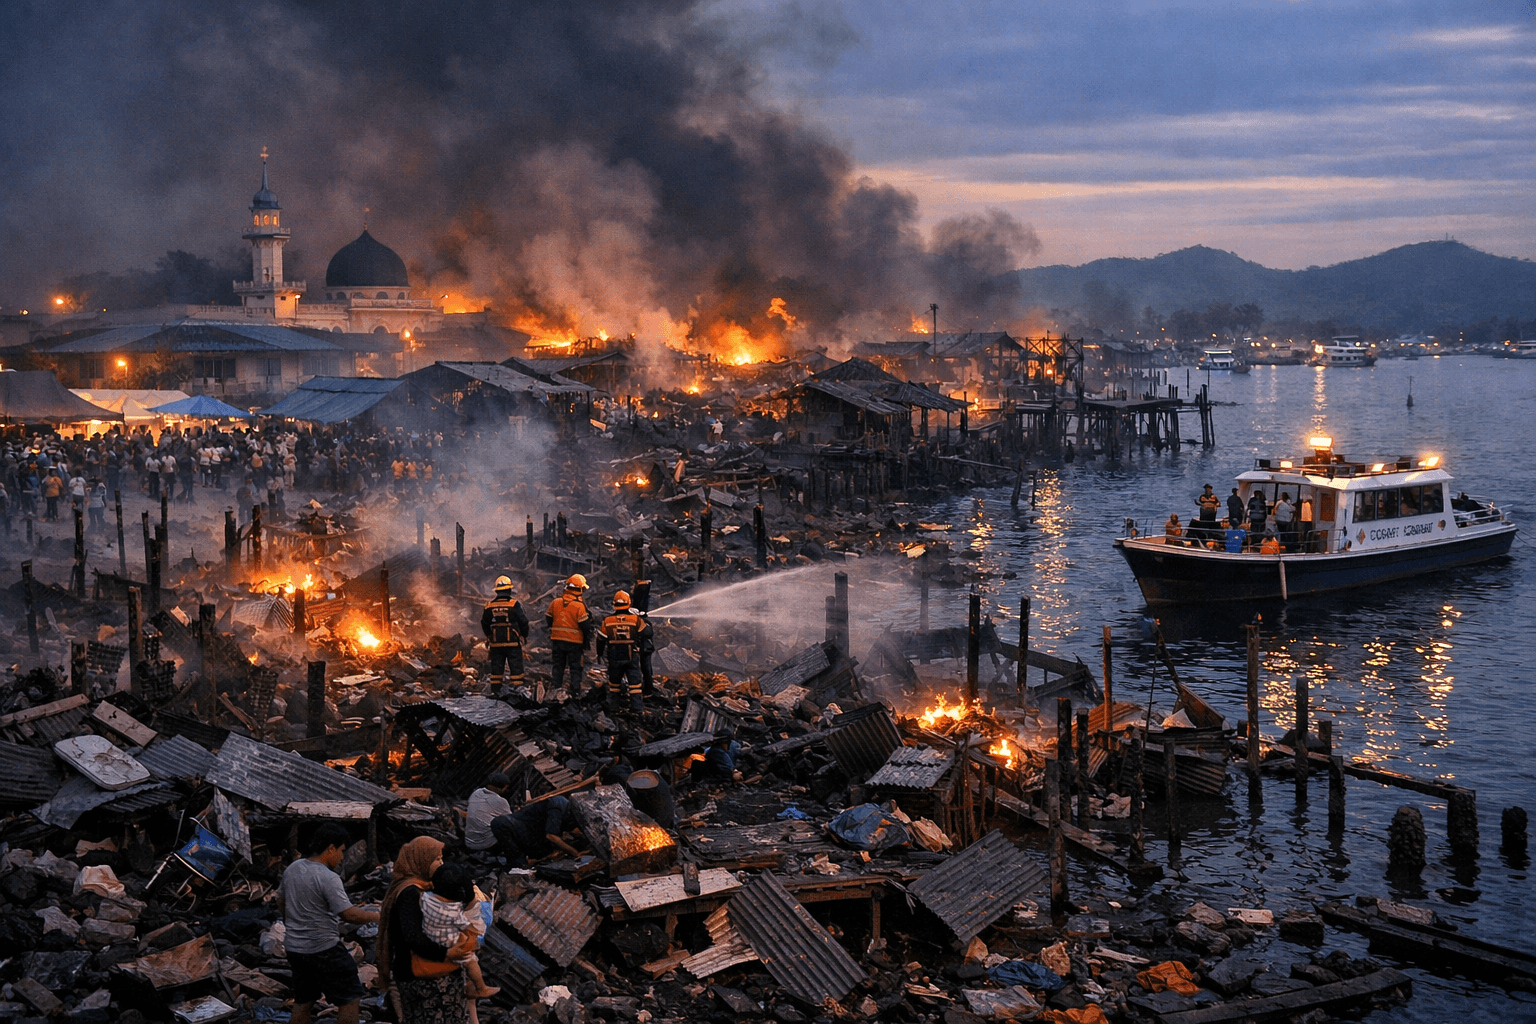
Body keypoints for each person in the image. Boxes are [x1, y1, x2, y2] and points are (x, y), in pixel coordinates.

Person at [278, 822, 379, 1024]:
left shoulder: (293, 868)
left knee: (303, 1000)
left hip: (295, 949)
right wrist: (379, 916)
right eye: (341, 851)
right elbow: (349, 915)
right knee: (350, 997)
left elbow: (281, 901)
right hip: (323, 949)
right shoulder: (328, 877)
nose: (342, 857)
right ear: (331, 848)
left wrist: (295, 924)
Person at [377, 837, 477, 1024]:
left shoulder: (414, 888)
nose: (441, 864)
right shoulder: (411, 894)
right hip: (427, 978)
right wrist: (446, 953)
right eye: (437, 859)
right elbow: (413, 937)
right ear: (421, 859)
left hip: (417, 974)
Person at [419, 863, 498, 1004]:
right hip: (460, 948)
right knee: (470, 963)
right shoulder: (476, 906)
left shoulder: (431, 902)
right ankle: (481, 988)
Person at [596, 589, 651, 713]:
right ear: (629, 603)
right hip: (631, 655)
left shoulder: (608, 621)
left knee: (614, 684)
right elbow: (647, 633)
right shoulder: (635, 620)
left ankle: (614, 707)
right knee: (635, 684)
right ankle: (636, 708)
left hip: (614, 656)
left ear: (614, 604)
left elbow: (600, 639)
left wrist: (599, 654)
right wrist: (643, 620)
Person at [489, 795, 581, 868]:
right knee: (518, 860)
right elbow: (551, 836)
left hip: (530, 833)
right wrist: (575, 853)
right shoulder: (559, 806)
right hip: (517, 828)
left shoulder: (567, 810)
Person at [545, 575, 592, 696]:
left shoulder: (555, 603)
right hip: (575, 643)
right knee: (575, 668)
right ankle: (575, 692)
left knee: (558, 666)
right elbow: (585, 626)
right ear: (580, 590)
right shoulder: (579, 606)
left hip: (557, 641)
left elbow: (548, 619)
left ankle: (556, 690)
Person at [480, 576, 528, 690]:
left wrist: (489, 636)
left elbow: (484, 623)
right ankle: (518, 691)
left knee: (496, 668)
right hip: (512, 642)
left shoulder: (489, 606)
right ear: (510, 590)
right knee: (516, 668)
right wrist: (524, 635)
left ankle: (495, 691)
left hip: (496, 643)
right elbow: (523, 621)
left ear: (496, 591)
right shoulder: (514, 604)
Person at [463, 774, 512, 855]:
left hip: (469, 842)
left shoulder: (476, 793)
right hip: (487, 844)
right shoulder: (501, 801)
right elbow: (510, 821)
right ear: (501, 787)